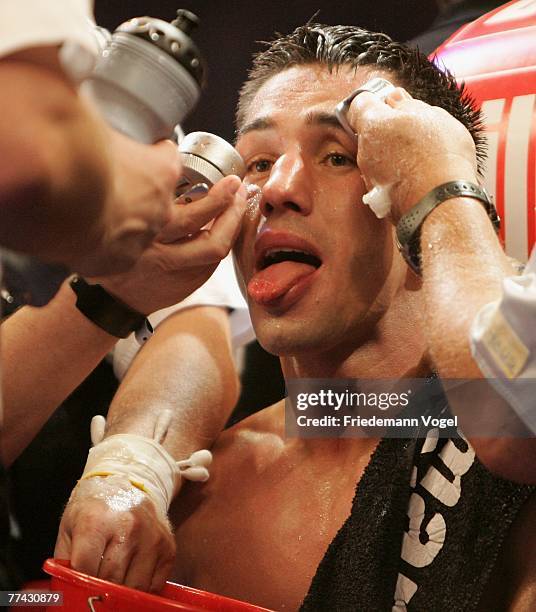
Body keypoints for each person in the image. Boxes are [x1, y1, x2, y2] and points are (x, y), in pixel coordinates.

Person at [160, 24, 534, 611]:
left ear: (418, 197)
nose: (279, 189)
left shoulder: (516, 469)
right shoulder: (192, 511)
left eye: (339, 156)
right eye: (257, 163)